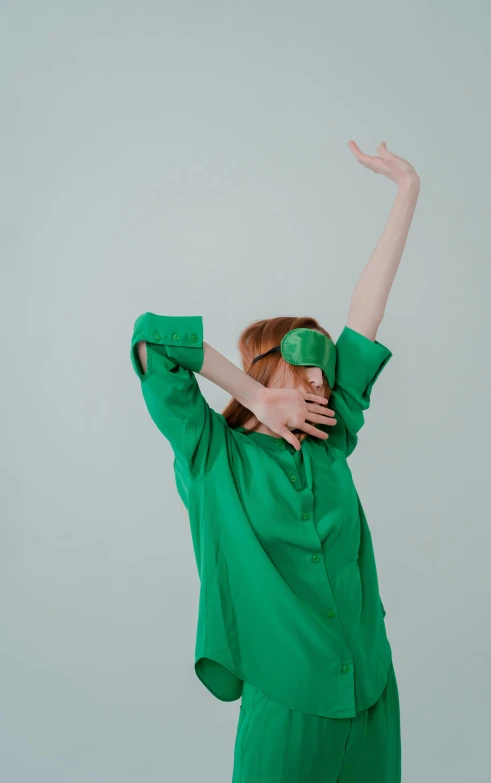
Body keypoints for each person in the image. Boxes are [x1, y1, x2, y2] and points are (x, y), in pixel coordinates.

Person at [129, 140, 420, 783]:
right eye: (305, 371)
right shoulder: (214, 457)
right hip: (289, 708)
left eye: (326, 373)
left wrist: (407, 191)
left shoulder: (331, 441)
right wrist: (256, 396)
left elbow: (366, 317)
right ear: (271, 372)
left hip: (371, 694)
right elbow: (152, 338)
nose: (323, 384)